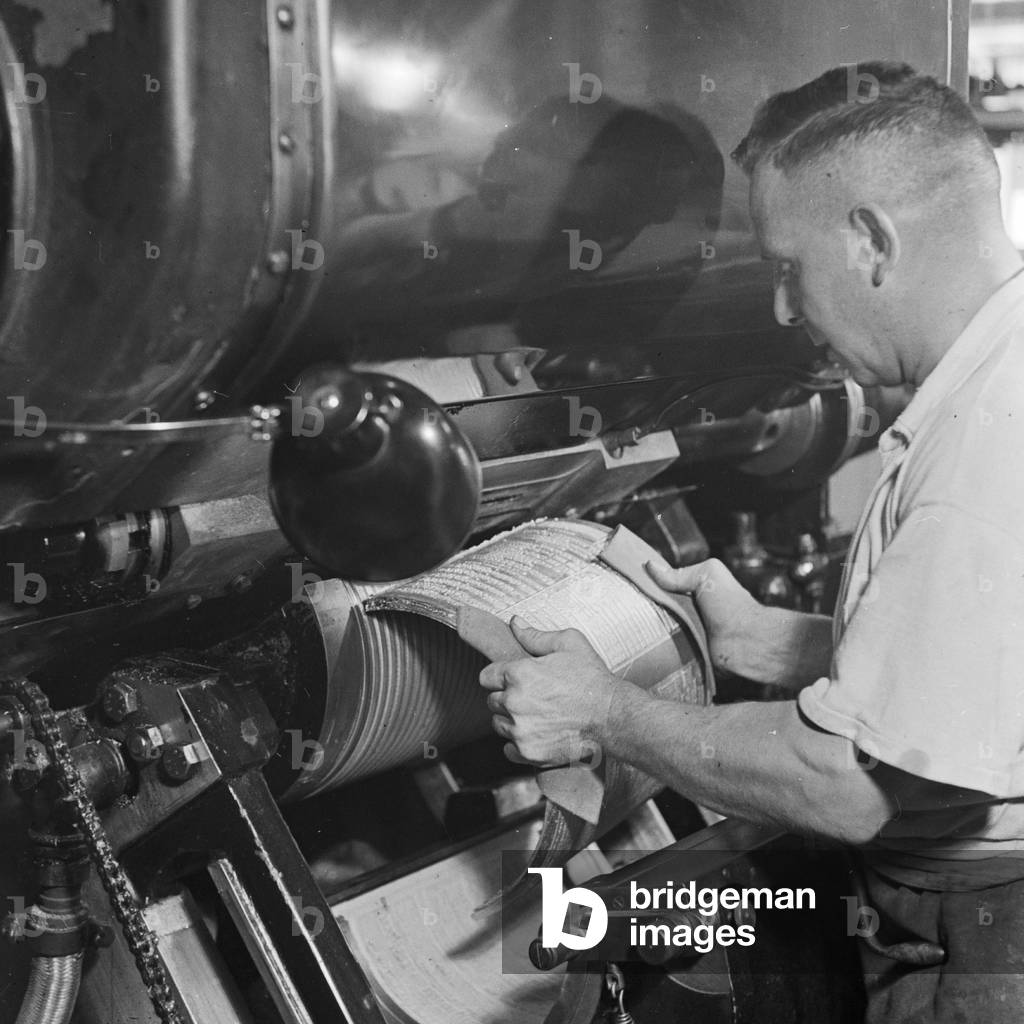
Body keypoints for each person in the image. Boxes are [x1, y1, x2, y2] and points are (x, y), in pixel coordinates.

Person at [470, 63, 1024, 1021]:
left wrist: (603, 712)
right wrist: (766, 637)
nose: (781, 308)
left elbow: (848, 784)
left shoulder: (980, 449)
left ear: (870, 242)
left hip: (984, 945)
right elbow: (984, 666)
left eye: (786, 268)